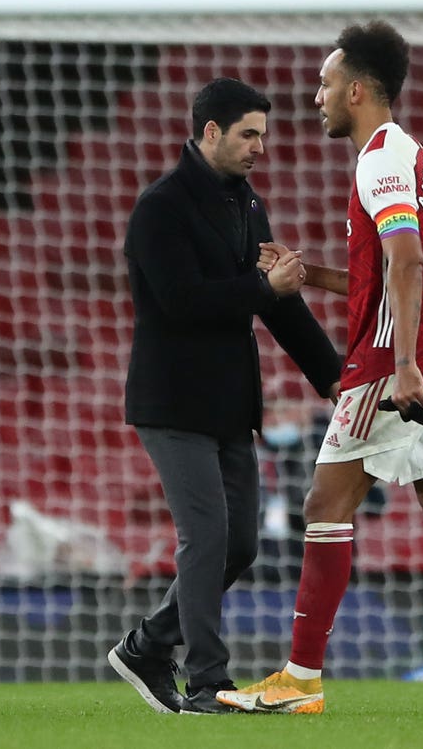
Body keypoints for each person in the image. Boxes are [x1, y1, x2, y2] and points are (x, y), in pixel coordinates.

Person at [216, 23, 423, 716]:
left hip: (394, 365)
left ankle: (300, 679)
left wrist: (406, 364)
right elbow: (388, 272)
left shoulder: (380, 160)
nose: (317, 95)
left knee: (325, 506)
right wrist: (315, 275)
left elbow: (408, 261)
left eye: (327, 84)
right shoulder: (411, 157)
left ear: (356, 90)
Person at [107, 77, 341, 715]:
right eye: (249, 134)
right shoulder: (161, 208)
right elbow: (181, 303)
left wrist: (333, 377)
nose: (260, 147)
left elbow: (280, 310)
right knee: (207, 537)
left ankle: (147, 646)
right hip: (172, 402)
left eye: (262, 135)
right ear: (210, 132)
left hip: (230, 406)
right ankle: (207, 681)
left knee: (241, 544)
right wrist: (266, 291)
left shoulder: (249, 206)